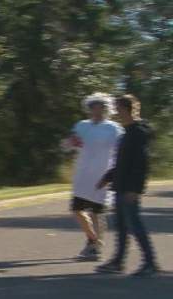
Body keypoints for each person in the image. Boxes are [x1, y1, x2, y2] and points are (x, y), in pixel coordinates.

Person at [96, 95, 159, 277]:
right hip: (120, 185)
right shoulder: (127, 132)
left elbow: (141, 163)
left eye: (118, 108)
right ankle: (118, 261)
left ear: (127, 109)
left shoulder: (138, 132)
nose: (116, 112)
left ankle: (150, 262)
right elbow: (122, 162)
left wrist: (135, 189)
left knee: (135, 225)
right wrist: (107, 177)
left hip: (129, 188)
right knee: (122, 226)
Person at [65, 93, 124, 261]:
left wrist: (115, 173)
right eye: (93, 107)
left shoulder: (114, 128)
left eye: (101, 107)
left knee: (97, 213)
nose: (97, 110)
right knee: (77, 210)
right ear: (89, 109)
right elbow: (69, 144)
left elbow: (121, 149)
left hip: (103, 174)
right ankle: (94, 240)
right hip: (82, 174)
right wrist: (69, 143)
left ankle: (94, 249)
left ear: (106, 109)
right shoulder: (81, 126)